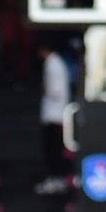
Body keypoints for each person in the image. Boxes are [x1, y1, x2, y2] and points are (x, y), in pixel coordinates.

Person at [35, 40, 71, 195]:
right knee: (52, 149)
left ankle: (56, 179)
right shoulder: (57, 63)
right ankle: (56, 179)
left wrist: (44, 88)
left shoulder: (53, 64)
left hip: (55, 116)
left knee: (53, 149)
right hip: (54, 115)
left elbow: (55, 90)